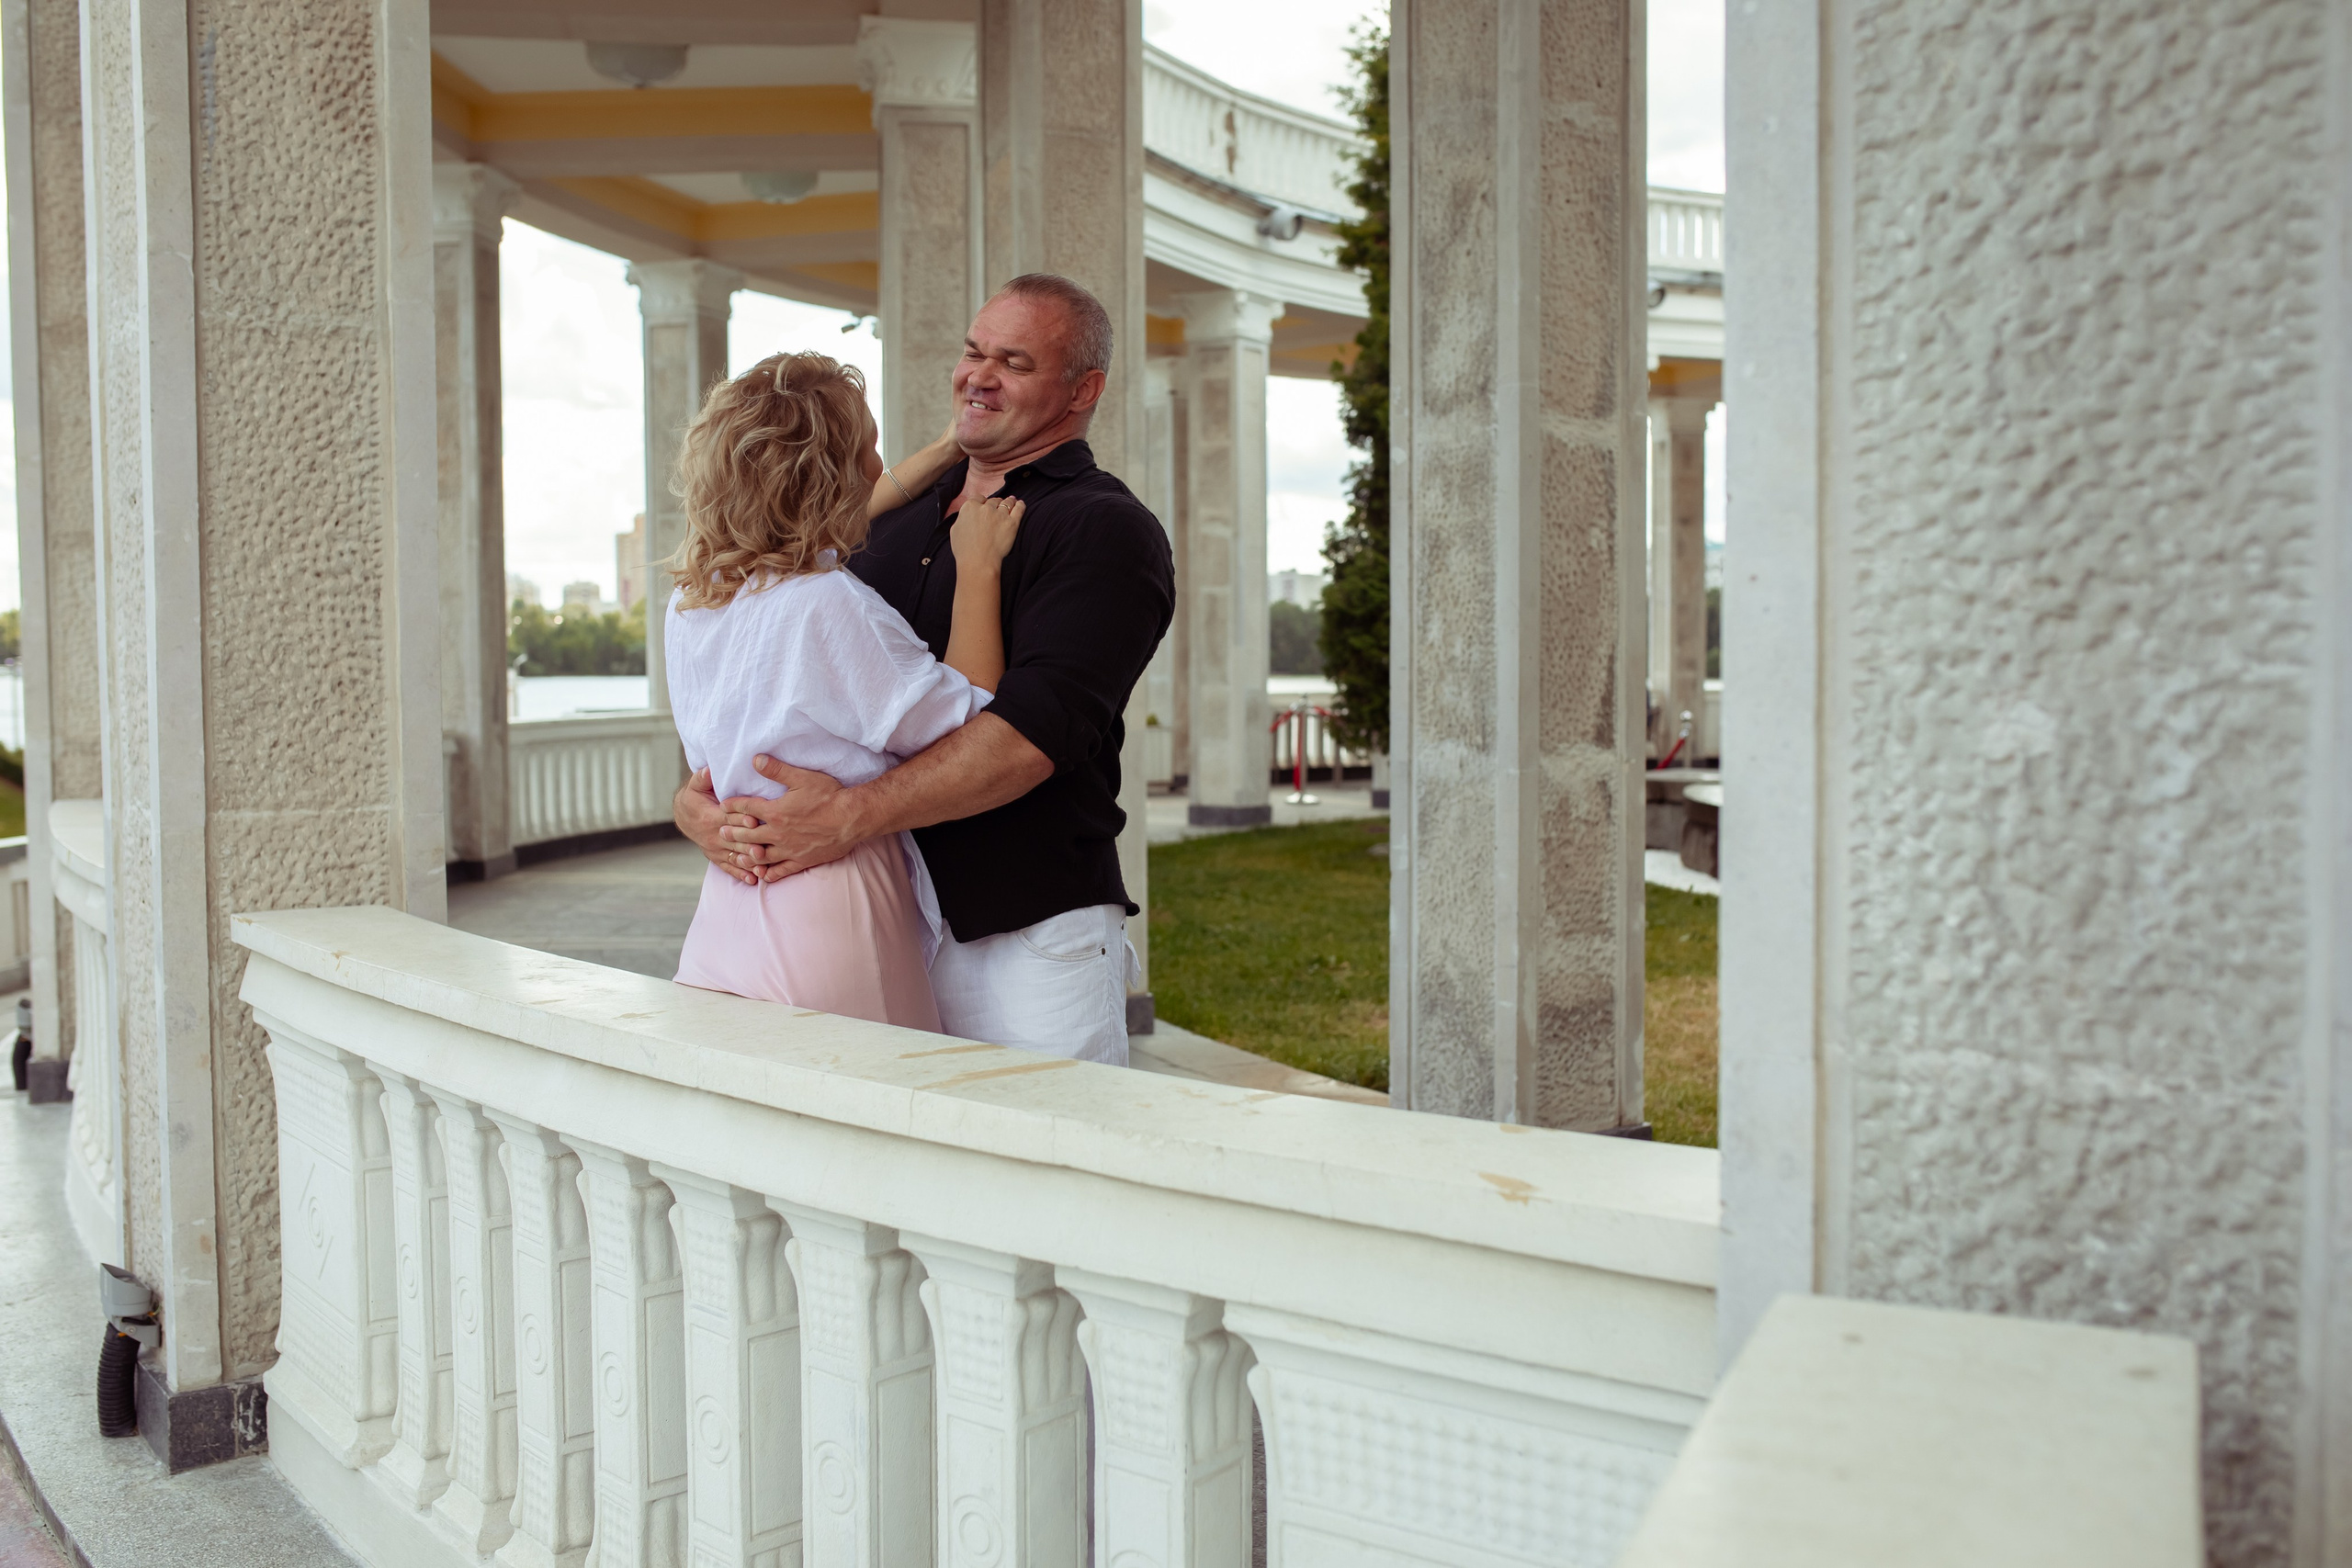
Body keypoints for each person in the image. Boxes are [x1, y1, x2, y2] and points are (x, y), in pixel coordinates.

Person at [673, 274, 1174, 1066]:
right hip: (877, 915)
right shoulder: (881, 521)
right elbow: (761, 682)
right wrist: (704, 805)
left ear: (1085, 389)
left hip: (1020, 928)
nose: (980, 374)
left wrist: (845, 817)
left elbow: (1024, 741)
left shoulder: (1104, 530)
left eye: (1014, 362)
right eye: (974, 352)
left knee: (1032, 1174)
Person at [662, 350, 1026, 1028]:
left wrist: (953, 445)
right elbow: (969, 723)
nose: (875, 468)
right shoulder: (826, 604)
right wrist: (978, 570)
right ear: (828, 474)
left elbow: (862, 500)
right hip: (829, 904)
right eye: (866, 448)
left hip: (728, 907)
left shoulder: (694, 601)